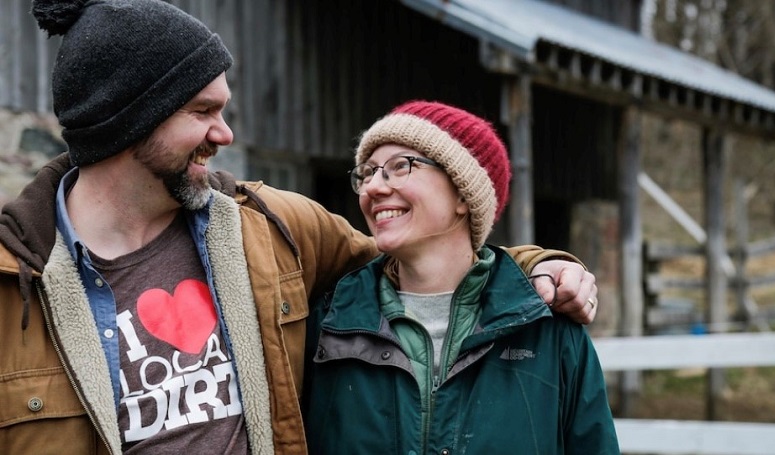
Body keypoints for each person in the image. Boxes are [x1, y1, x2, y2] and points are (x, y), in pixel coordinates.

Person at [0, 1, 599, 454]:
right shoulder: (12, 283)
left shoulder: (276, 227)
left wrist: (539, 265)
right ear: (130, 120)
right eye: (202, 112)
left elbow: (418, 261)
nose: (225, 133)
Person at [302, 101, 619, 454]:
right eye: (369, 172)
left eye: (399, 166)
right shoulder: (330, 324)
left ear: (463, 195)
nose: (373, 187)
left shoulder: (549, 331)